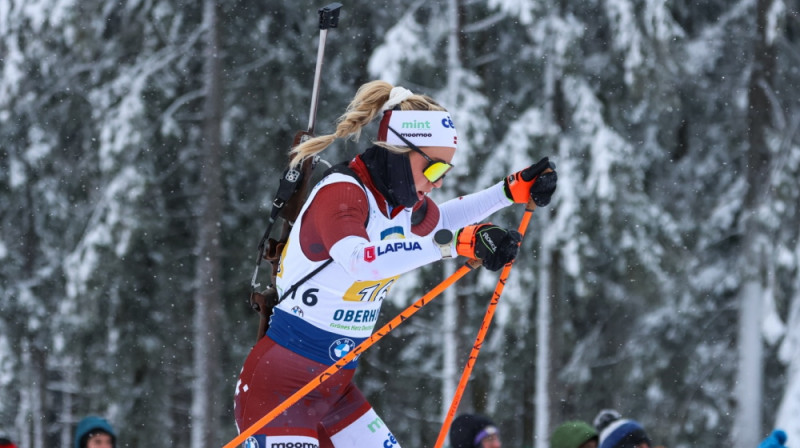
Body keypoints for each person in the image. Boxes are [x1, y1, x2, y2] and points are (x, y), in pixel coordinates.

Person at [233, 80, 558, 448]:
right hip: (279, 389)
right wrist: (457, 244)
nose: (436, 184)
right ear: (400, 153)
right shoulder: (342, 194)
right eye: (433, 170)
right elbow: (360, 261)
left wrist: (507, 191)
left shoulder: (397, 204)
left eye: (445, 175)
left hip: (334, 390)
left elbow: (445, 221)